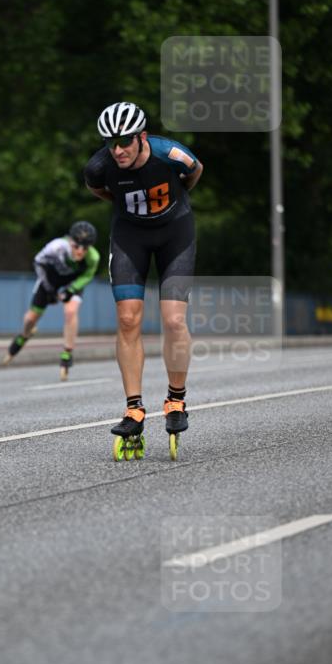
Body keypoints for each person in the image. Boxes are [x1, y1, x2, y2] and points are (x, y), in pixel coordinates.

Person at [85, 101, 203, 458]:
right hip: (130, 237)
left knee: (173, 319)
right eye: (110, 143)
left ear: (142, 137)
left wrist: (176, 203)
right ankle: (134, 408)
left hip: (175, 235)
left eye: (124, 142)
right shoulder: (99, 167)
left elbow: (195, 173)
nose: (117, 150)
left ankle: (176, 400)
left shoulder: (172, 155)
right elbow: (99, 191)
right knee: (127, 318)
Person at [4, 221, 100, 380]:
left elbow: (87, 276)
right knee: (30, 318)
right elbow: (38, 263)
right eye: (76, 246)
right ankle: (25, 335)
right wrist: (49, 289)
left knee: (70, 311)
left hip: (72, 283)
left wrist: (72, 289)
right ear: (70, 241)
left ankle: (67, 353)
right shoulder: (56, 247)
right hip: (50, 280)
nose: (80, 251)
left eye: (85, 247)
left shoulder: (93, 258)